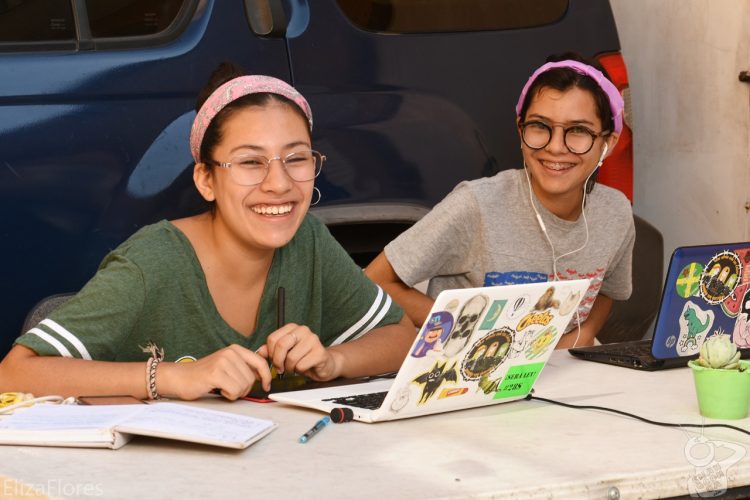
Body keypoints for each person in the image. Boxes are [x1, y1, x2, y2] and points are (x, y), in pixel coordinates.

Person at [0, 63, 415, 400]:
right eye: (250, 162)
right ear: (206, 180)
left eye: (296, 158)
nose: (279, 183)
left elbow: (401, 337)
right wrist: (173, 376)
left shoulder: (308, 241)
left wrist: (333, 360)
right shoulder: (152, 262)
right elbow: (14, 373)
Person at [365, 53, 635, 348]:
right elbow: (374, 281)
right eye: (540, 126)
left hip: (564, 366)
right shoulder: (476, 205)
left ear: (607, 143)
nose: (556, 147)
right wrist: (468, 333)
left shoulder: (615, 213)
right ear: (520, 129)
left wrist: (580, 337)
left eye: (579, 131)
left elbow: (607, 290)